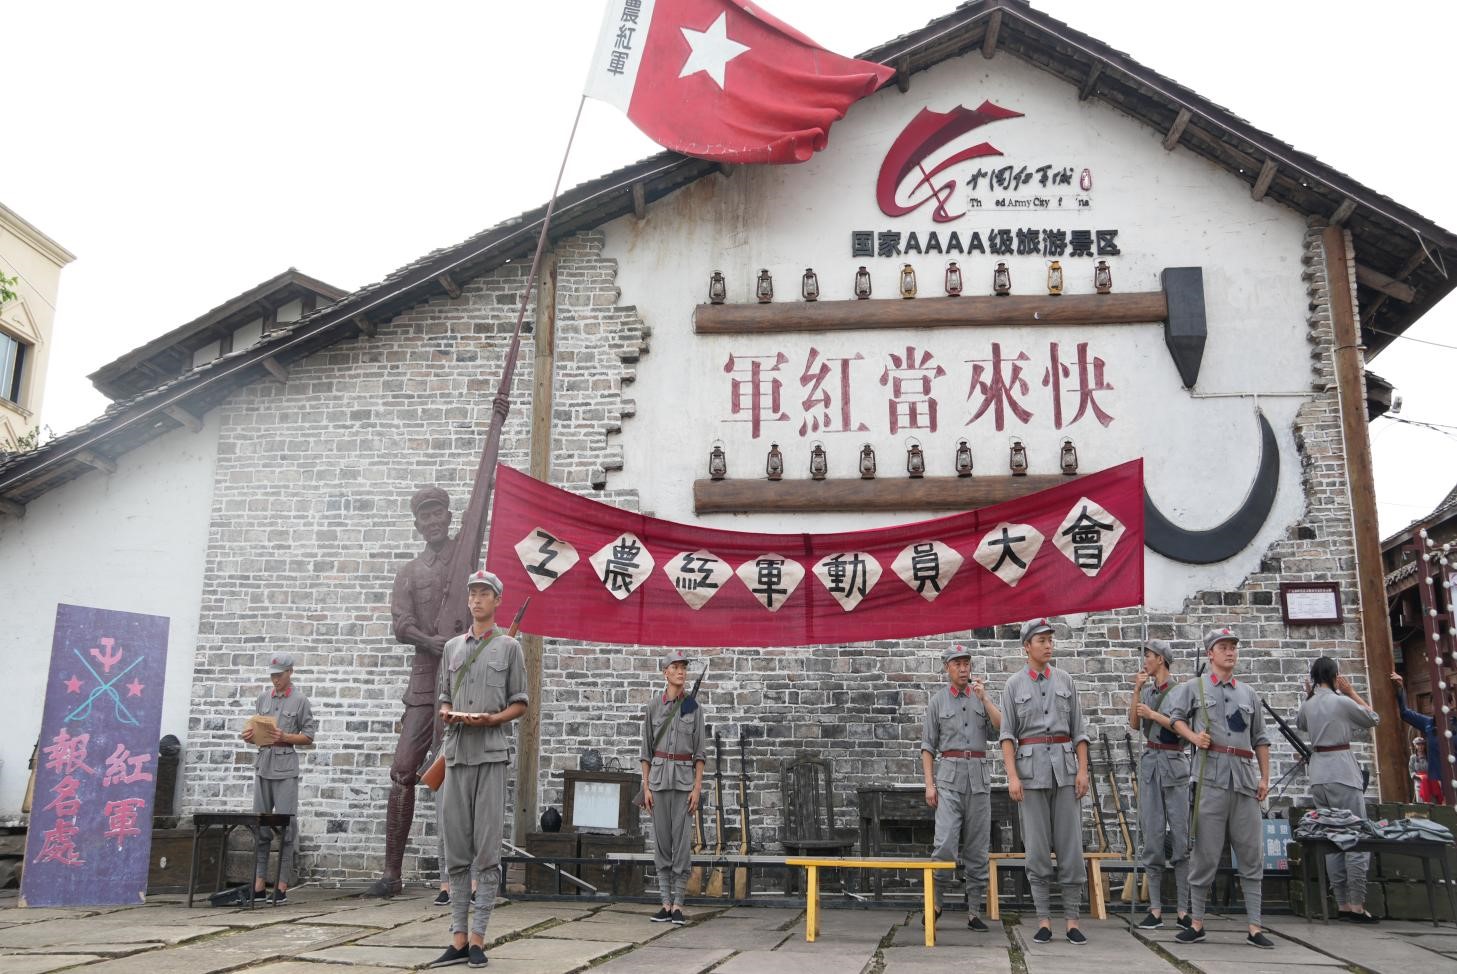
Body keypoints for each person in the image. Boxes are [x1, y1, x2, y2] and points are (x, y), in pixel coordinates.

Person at [431, 570, 528, 970]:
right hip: (455, 755)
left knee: (486, 852)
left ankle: (478, 938)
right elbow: (442, 698)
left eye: (484, 593)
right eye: (472, 593)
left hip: (489, 754)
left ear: (497, 600)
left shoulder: (509, 648)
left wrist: (492, 720)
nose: (476, 600)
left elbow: (520, 703)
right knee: (455, 849)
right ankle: (455, 937)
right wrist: (448, 712)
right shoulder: (453, 647)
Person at [369, 485, 457, 900]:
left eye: (438, 513)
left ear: (449, 517)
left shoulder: (466, 558)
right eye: (425, 516)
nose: (433, 522)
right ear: (417, 524)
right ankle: (392, 873)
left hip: (460, 684)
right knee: (403, 771)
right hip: (423, 683)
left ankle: (452, 875)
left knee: (453, 775)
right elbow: (400, 624)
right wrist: (429, 641)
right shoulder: (409, 571)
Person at [1167, 628, 1274, 949]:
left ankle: (1255, 926)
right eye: (1223, 647)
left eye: (1233, 647)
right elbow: (1174, 719)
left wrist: (1265, 778)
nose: (1230, 652)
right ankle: (1196, 922)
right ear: (1210, 654)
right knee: (1205, 854)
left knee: (1251, 853)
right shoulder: (1194, 688)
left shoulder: (1249, 694)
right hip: (1209, 780)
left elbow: (1261, 739)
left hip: (1243, 781)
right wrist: (1193, 737)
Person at [999, 618, 1091, 945]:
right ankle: (1043, 920)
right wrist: (1011, 776)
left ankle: (1072, 920)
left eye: (1050, 639)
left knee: (1070, 848)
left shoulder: (1066, 681)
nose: (1048, 645)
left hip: (1065, 773)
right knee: (1037, 849)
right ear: (1026, 646)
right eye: (1041, 640)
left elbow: (1079, 731)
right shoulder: (1013, 686)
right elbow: (1007, 735)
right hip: (1031, 773)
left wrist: (1082, 771)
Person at [921, 643, 1002, 931]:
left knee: (978, 847)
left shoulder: (981, 697)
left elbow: (1001, 729)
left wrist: (987, 699)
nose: (964, 668)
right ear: (947, 668)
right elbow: (928, 747)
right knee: (944, 843)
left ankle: (974, 910)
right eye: (957, 663)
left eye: (967, 662)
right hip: (948, 779)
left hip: (978, 778)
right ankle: (937, 903)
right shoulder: (938, 702)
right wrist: (930, 785)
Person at [1297, 656, 1380, 923]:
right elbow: (1372, 718)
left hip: (1319, 773)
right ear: (1334, 676)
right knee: (1355, 836)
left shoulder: (1308, 704)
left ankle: (1341, 902)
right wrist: (1351, 691)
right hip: (1342, 771)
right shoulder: (1341, 701)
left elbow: (1301, 724)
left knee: (1332, 838)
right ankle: (1357, 903)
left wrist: (1309, 695)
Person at [240, 652, 316, 904]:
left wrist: (286, 737)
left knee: (285, 826)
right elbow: (256, 733)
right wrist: (250, 736)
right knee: (260, 825)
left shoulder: (300, 700)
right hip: (263, 764)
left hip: (285, 767)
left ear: (290, 672)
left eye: (280, 675)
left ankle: (282, 884)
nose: (275, 680)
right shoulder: (263, 698)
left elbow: (308, 737)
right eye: (273, 675)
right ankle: (259, 883)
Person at [1127, 639, 1192, 931]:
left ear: (1162, 660)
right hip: (1151, 765)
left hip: (1173, 763)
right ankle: (1154, 908)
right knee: (1152, 837)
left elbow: (1183, 730)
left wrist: (1154, 715)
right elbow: (1134, 724)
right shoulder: (1149, 691)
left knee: (1180, 837)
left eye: (1150, 656)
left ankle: (1183, 909)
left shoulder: (1181, 692)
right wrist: (1137, 691)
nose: (1146, 661)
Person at [639, 648, 706, 925]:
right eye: (676, 667)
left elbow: (700, 753)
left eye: (684, 667)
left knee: (681, 846)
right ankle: (664, 903)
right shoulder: (654, 707)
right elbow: (645, 752)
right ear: (665, 672)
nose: (681, 671)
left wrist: (697, 788)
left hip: (682, 784)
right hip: (657, 783)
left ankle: (678, 904)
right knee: (661, 845)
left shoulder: (692, 706)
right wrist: (645, 787)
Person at [1390, 673, 1446, 804]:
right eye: (1435, 704)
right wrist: (1400, 688)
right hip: (1436, 784)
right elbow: (1405, 713)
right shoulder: (1429, 723)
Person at [1410, 736, 1432, 802]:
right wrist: (1419, 776)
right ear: (1415, 746)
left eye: (1422, 744)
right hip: (1419, 783)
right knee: (1421, 804)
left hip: (1430, 781)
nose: (1420, 746)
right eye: (1418, 744)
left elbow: (1433, 768)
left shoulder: (1429, 756)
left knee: (1433, 803)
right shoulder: (1413, 758)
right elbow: (1411, 770)